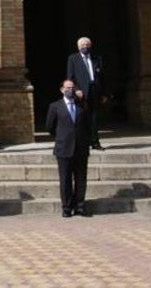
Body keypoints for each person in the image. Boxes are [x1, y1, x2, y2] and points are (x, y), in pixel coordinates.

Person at [44, 79, 92, 217]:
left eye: (72, 87)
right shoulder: (55, 106)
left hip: (81, 148)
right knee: (65, 180)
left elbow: (88, 126)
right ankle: (66, 207)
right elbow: (50, 127)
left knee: (81, 178)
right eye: (67, 88)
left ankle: (80, 206)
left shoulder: (82, 106)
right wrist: (61, 137)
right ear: (62, 90)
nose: (70, 90)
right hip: (64, 148)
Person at [66, 36, 105, 150]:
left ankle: (95, 142)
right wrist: (76, 89)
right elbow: (70, 77)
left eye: (87, 45)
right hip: (81, 93)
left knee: (94, 117)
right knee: (82, 118)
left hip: (95, 91)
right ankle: (83, 142)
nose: (85, 47)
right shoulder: (73, 59)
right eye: (83, 45)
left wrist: (104, 93)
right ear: (78, 47)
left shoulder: (97, 58)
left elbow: (102, 77)